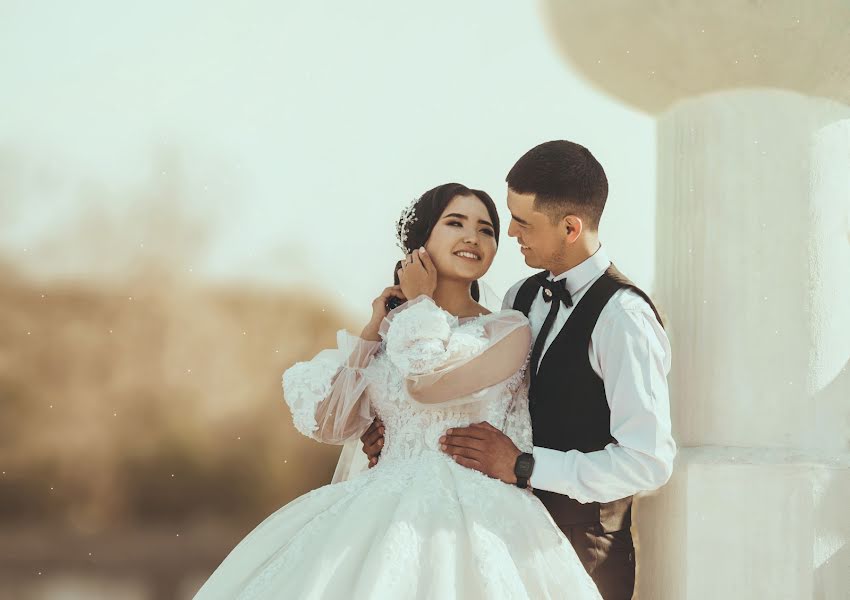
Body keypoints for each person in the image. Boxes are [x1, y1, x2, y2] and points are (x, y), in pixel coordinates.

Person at [192, 182, 602, 599]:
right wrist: (373, 331)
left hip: (478, 521)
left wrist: (420, 302)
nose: (472, 238)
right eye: (455, 223)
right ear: (421, 240)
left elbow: (425, 384)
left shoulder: (507, 329)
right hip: (375, 511)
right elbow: (330, 424)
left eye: (486, 230)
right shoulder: (395, 332)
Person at [362, 142, 677, 600]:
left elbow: (648, 461)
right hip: (494, 534)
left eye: (522, 222)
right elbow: (486, 395)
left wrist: (524, 466)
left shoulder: (623, 318)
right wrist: (398, 427)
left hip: (583, 553)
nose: (509, 232)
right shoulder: (518, 298)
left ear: (570, 227)